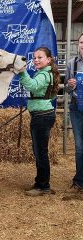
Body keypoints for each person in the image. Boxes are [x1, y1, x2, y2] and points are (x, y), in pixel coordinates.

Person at [18, 46, 60, 196]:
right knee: (40, 151)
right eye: (34, 57)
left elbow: (32, 86)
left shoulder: (43, 75)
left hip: (42, 116)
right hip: (43, 114)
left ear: (48, 59)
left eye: (40, 57)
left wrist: (22, 72)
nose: (36, 60)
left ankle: (43, 186)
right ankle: (40, 182)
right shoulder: (46, 73)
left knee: (41, 152)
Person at [64, 33, 83, 193]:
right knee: (79, 146)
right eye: (82, 42)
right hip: (76, 108)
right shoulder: (72, 63)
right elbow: (67, 89)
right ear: (78, 44)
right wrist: (70, 85)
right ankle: (79, 181)